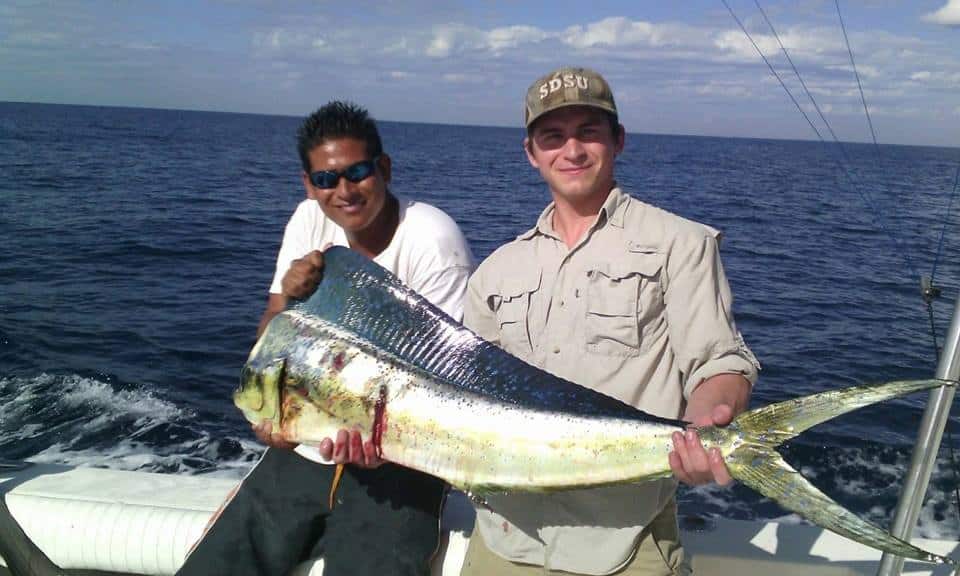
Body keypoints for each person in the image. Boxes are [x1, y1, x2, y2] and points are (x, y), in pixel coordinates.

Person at [458, 67, 760, 576]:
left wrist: (708, 422)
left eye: (588, 132)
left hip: (624, 544)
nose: (571, 151)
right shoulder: (493, 273)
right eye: (553, 136)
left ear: (618, 141)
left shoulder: (680, 244)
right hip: (503, 543)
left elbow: (719, 363)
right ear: (531, 153)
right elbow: (471, 399)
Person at [177, 101, 474, 576]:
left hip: (400, 458)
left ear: (384, 168)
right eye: (326, 179)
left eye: (357, 172)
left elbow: (446, 384)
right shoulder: (308, 219)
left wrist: (382, 444)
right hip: (310, 444)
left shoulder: (434, 240)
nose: (344, 190)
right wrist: (290, 307)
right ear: (308, 184)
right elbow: (272, 331)